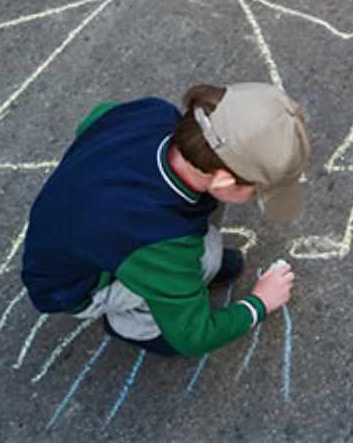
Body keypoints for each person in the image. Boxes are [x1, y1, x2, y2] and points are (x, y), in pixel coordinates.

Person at [21, 82, 311, 356]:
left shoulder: (152, 114)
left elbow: (94, 120)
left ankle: (168, 287)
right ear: (223, 181)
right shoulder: (161, 241)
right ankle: (137, 327)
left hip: (75, 227)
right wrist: (259, 303)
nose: (255, 197)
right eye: (255, 191)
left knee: (191, 254)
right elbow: (194, 338)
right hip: (72, 287)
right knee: (204, 258)